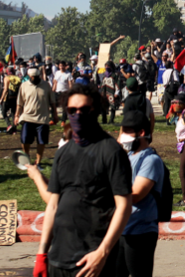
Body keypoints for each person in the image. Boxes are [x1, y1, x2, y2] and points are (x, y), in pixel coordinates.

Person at [35, 84, 132, 277]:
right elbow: (53, 205)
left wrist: (102, 252)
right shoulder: (63, 153)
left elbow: (124, 206)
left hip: (93, 262)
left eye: (84, 110)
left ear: (95, 110)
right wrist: (42, 253)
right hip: (58, 260)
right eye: (72, 110)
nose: (78, 115)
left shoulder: (111, 151)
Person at [116, 111, 164, 277]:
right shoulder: (128, 156)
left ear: (142, 132)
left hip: (140, 232)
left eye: (127, 131)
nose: (122, 136)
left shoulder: (151, 160)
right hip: (121, 229)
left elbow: (136, 194)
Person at [15, 67, 58, 166]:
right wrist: (17, 115)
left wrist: (55, 114)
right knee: (25, 140)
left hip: (42, 118)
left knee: (41, 141)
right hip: (27, 117)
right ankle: (26, 157)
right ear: (29, 76)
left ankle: (38, 161)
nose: (35, 78)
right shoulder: (24, 86)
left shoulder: (46, 85)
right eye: (33, 77)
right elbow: (19, 103)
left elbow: (52, 102)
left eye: (37, 76)